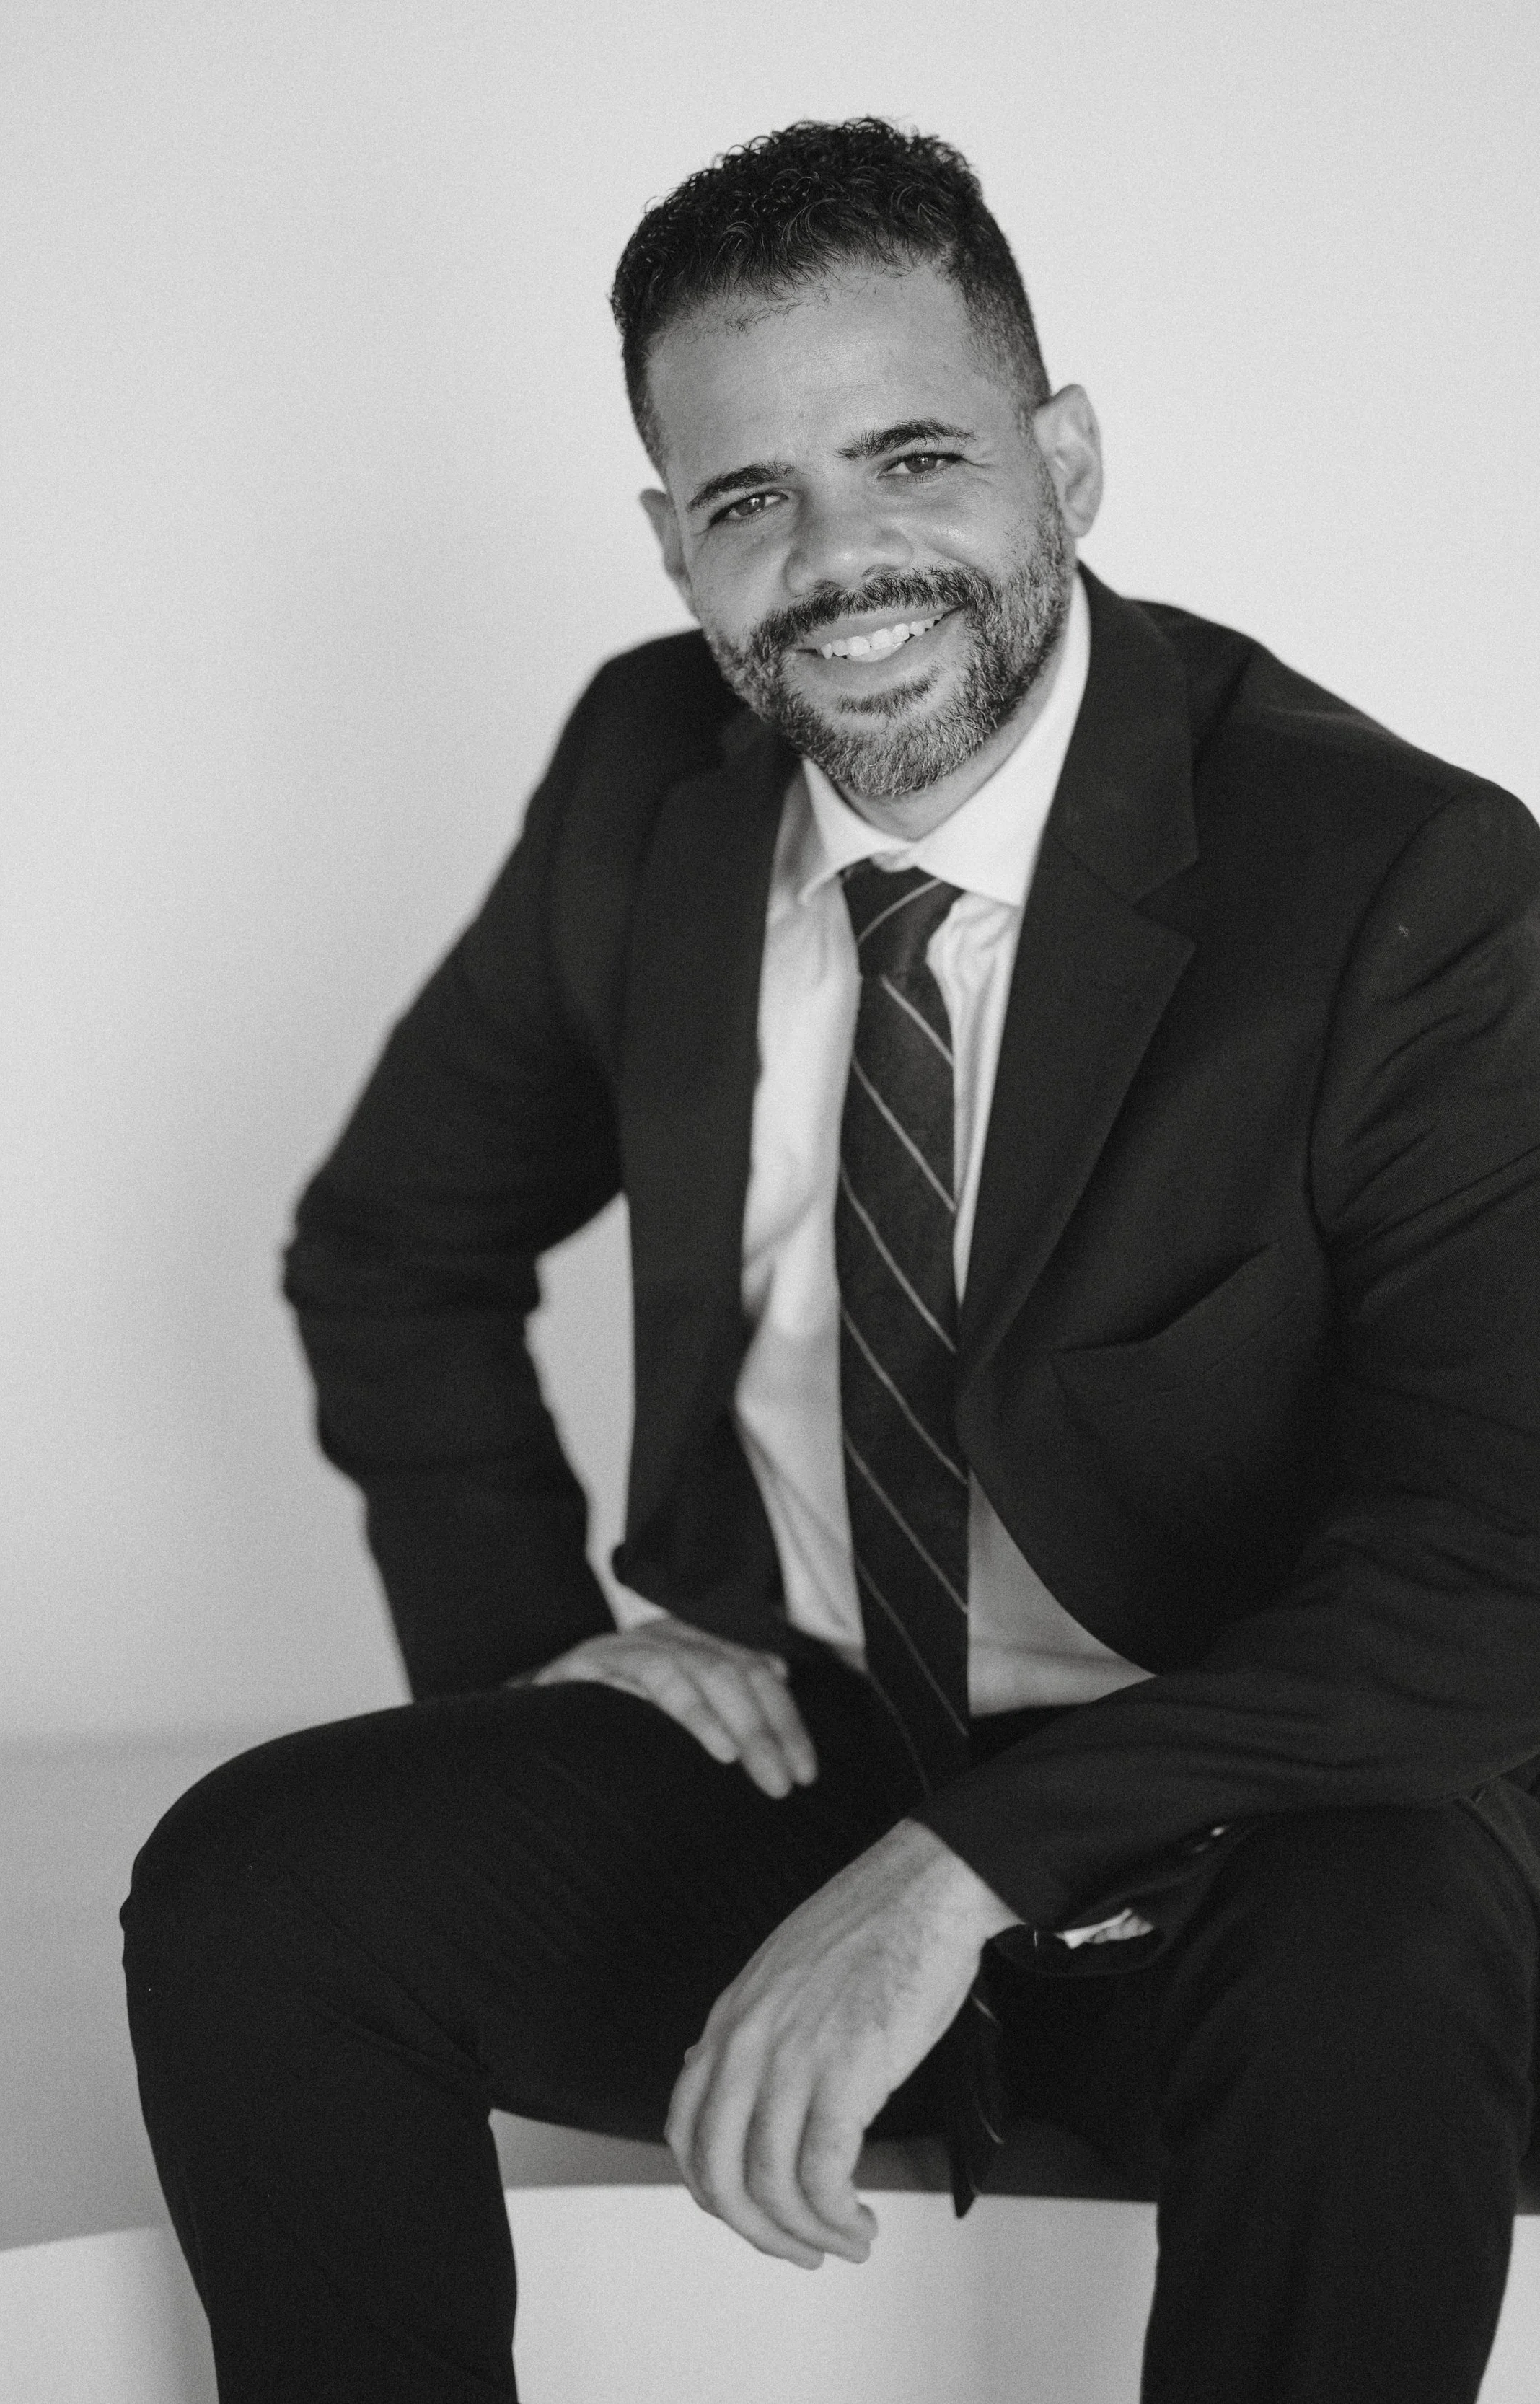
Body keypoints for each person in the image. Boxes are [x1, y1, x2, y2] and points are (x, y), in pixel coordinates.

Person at [122, 119, 1540, 2403]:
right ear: (672, 542)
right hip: (809, 1745)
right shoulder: (643, 778)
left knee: (1382, 1941)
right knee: (251, 1890)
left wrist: (963, 1870)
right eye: (748, 495)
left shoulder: (1402, 888)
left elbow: (1497, 1563)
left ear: (1063, 460)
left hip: (1254, 1812)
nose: (840, 557)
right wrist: (536, 1651)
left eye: (911, 456)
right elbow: (389, 1244)